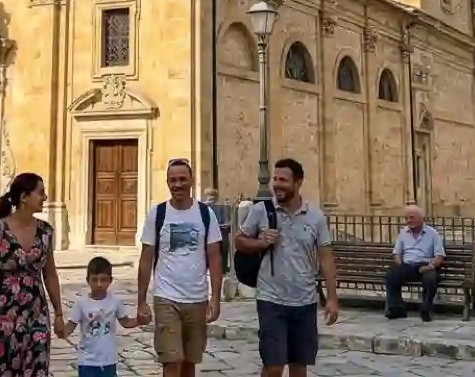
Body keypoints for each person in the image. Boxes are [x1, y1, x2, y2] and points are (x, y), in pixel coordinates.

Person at [237, 158, 339, 377]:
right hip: (271, 300)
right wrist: (260, 242)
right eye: (275, 179)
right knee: (273, 366)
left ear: (298, 182)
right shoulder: (260, 211)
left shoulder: (316, 217)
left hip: (305, 301)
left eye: (283, 180)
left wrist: (332, 298)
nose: (277, 184)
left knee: (298, 365)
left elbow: (326, 257)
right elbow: (239, 241)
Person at [0, 172, 66, 377]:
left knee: (35, 368)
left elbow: (50, 275)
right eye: (41, 192)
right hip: (1, 313)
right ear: (24, 197)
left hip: (36, 314)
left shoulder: (46, 231)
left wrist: (58, 313)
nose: (45, 197)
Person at [136, 158, 223, 377]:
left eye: (182, 179)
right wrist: (141, 301)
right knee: (171, 360)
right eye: (173, 180)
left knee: (189, 362)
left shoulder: (205, 214)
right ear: (167, 182)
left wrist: (215, 298)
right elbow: (146, 259)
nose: (178, 184)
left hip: (197, 298)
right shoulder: (157, 214)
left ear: (192, 181)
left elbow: (214, 258)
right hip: (167, 297)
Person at [63, 256, 139, 377]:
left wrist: (140, 320)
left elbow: (126, 322)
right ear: (88, 280)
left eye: (103, 280)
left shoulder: (115, 301)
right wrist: (60, 330)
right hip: (87, 361)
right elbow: (69, 327)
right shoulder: (81, 303)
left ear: (110, 280)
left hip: (108, 360)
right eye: (95, 280)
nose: (99, 284)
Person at [385, 203, 446, 321]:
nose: (408, 221)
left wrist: (430, 266)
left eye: (412, 217)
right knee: (391, 276)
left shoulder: (432, 233)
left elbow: (439, 255)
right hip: (408, 265)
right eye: (406, 218)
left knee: (430, 279)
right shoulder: (403, 233)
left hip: (425, 265)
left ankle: (426, 310)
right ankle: (396, 309)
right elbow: (397, 252)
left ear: (420, 217)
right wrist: (399, 263)